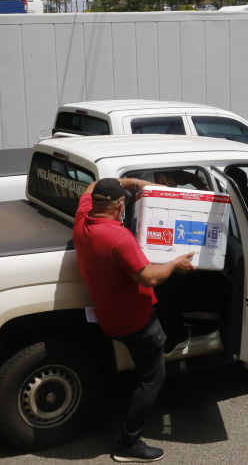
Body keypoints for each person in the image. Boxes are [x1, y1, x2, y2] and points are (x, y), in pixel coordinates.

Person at [73, 177, 195, 463]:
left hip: (109, 316)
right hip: (136, 321)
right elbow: (150, 276)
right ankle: (129, 443)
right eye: (123, 204)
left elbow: (91, 186)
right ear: (119, 206)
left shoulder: (82, 221)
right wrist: (175, 264)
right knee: (153, 377)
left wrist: (133, 182)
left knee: (146, 366)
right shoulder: (120, 239)